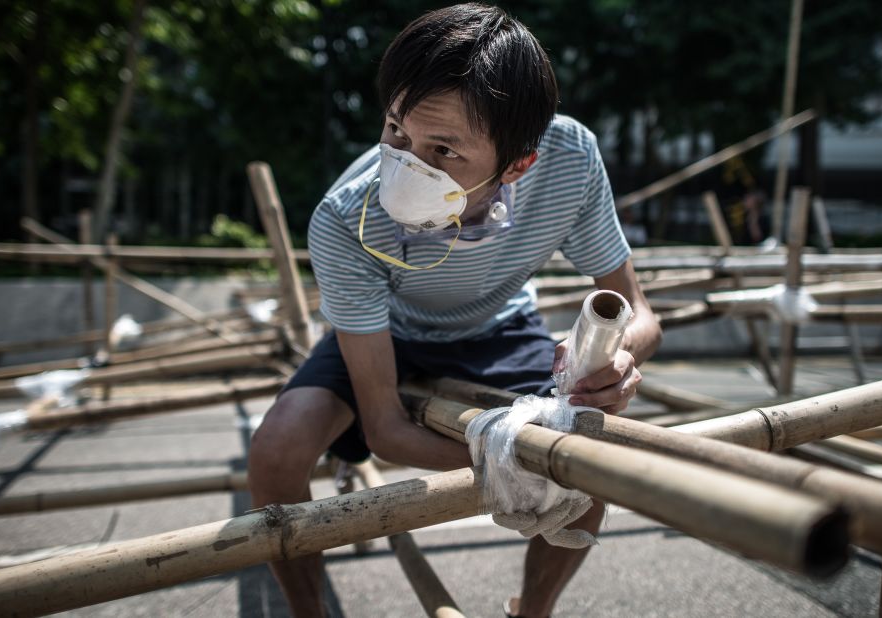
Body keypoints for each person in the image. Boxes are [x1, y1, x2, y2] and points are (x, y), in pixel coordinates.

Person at [248, 4, 662, 617]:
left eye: (443, 149)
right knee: (276, 451)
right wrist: (516, 454)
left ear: (519, 163)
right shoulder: (345, 220)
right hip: (385, 334)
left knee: (590, 461)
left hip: (499, 328)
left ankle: (534, 609)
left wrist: (619, 357)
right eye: (396, 131)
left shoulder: (569, 160)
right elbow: (387, 428)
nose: (408, 163)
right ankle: (308, 611)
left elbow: (637, 310)